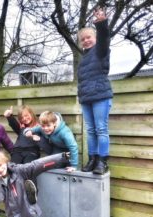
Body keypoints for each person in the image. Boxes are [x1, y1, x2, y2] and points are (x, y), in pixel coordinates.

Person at [0, 151, 69, 217]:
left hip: (30, 212)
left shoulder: (19, 170)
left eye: (1, 165)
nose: (0, 169)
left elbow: (36, 164)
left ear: (5, 162)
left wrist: (61, 156)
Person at [77, 7, 112, 174]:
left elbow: (105, 37)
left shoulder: (101, 50)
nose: (86, 40)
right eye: (82, 39)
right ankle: (92, 159)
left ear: (95, 38)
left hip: (100, 96)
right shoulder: (83, 59)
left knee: (101, 128)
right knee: (90, 130)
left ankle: (102, 161)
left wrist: (101, 24)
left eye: (88, 37)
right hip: (86, 98)